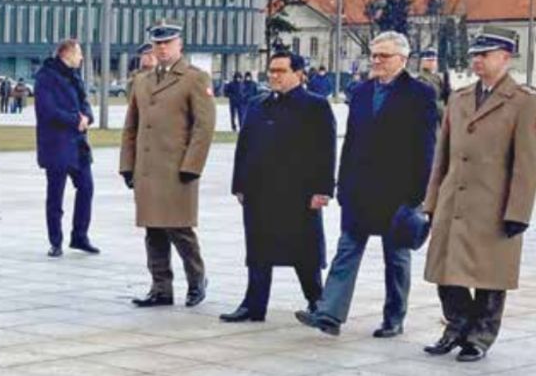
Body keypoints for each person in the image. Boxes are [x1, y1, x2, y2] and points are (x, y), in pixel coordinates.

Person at [296, 31, 437, 337]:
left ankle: (394, 318)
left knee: (396, 259)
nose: (376, 61)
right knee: (346, 251)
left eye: (383, 56)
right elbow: (352, 142)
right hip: (360, 190)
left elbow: (426, 148)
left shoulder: (420, 95)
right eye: (373, 55)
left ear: (402, 59)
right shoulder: (360, 92)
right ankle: (329, 314)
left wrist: (417, 195)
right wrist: (342, 185)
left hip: (399, 192)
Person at [422, 26, 536, 362]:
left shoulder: (523, 102)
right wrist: (432, 200)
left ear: (505, 57)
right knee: (445, 270)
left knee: (490, 274)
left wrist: (518, 211)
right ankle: (455, 327)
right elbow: (441, 156)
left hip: (493, 203)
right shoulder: (459, 98)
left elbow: (527, 163)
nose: (477, 62)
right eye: (475, 55)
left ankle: (480, 335)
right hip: (453, 200)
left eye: (484, 55)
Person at [221, 51, 336, 323]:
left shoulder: (315, 106)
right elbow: (244, 148)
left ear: (299, 74)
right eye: (271, 70)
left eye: (281, 71)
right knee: (259, 249)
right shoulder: (258, 104)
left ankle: (317, 302)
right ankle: (254, 305)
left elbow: (326, 151)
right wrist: (239, 184)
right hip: (260, 191)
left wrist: (323, 190)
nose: (273, 76)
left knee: (304, 250)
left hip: (299, 193)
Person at [120, 20, 216, 308]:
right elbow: (131, 126)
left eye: (167, 43)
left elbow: (204, 126)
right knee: (153, 230)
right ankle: (161, 287)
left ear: (179, 45)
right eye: (157, 44)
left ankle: (197, 280)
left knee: (180, 229)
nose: (162, 48)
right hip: (148, 169)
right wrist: (127, 164)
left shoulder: (194, 78)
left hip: (177, 170)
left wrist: (192, 165)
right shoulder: (143, 80)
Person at [34, 39, 99, 257]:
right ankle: (55, 241)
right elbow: (47, 111)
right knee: (56, 195)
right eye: (79, 54)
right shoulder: (46, 77)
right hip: (56, 145)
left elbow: (86, 105)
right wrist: (75, 120)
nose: (81, 58)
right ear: (67, 54)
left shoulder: (75, 77)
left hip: (78, 145)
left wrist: (87, 118)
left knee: (87, 189)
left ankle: (80, 236)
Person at [415, 49, 450, 124]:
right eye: (429, 60)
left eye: (434, 60)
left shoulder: (437, 78)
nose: (432, 63)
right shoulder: (421, 80)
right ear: (422, 62)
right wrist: (446, 108)